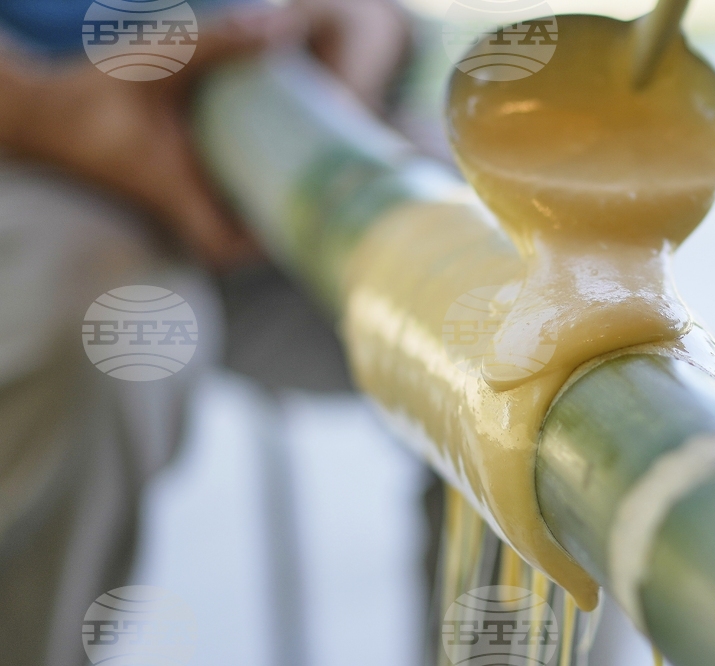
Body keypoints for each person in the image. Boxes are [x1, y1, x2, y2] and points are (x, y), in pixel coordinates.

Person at [0, 1, 411, 663]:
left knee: (536, 287)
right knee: (105, 322)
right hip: (23, 125)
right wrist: (39, 111)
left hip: (270, 100)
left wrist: (364, 25)